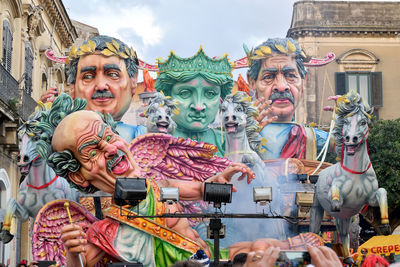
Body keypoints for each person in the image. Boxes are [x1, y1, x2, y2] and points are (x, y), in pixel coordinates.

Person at [35, 94, 255, 267]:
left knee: (263, 248)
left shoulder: (161, 187)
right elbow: (82, 264)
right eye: (92, 153)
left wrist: (219, 181)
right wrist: (74, 253)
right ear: (78, 175)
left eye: (109, 136)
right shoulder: (104, 233)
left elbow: (202, 189)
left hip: (208, 257)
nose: (111, 149)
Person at [40, 35, 146, 142]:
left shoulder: (143, 137)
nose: (100, 86)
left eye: (113, 75)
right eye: (88, 76)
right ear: (72, 87)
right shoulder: (58, 136)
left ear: (133, 82)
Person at [246, 37, 333, 160]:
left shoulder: (308, 136)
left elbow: (350, 148)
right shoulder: (238, 136)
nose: (281, 87)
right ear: (252, 82)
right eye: (268, 77)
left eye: (290, 76)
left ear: (303, 81)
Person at [154, 47, 234, 157]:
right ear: (167, 98)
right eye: (185, 93)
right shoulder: (155, 141)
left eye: (210, 94)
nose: (198, 106)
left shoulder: (228, 142)